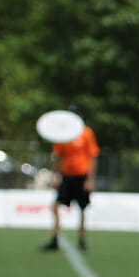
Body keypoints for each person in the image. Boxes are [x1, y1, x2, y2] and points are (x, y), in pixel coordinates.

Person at [39, 108, 99, 252]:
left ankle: (82, 240)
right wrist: (55, 176)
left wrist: (90, 179)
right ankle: (55, 239)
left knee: (82, 209)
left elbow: (92, 156)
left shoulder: (87, 133)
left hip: (81, 175)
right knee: (56, 206)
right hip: (66, 176)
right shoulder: (62, 135)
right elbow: (57, 157)